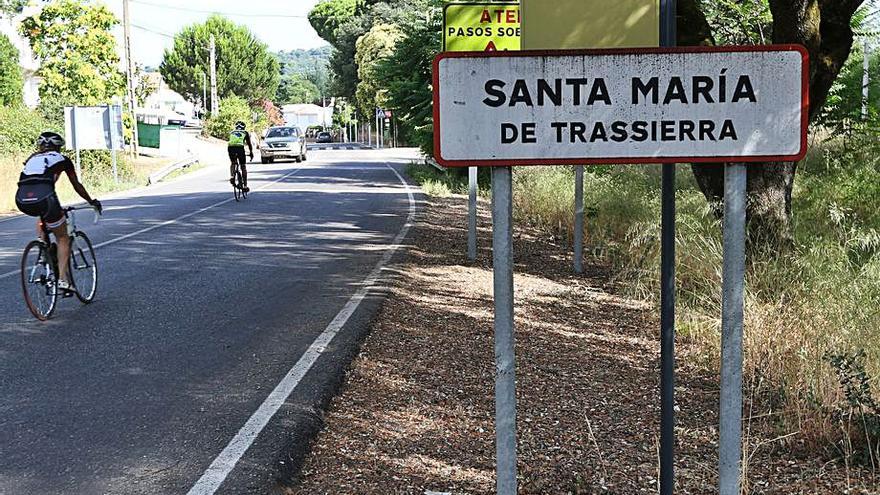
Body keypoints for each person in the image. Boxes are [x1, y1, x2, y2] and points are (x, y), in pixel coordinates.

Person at [15, 131, 102, 293]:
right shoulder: (63, 160)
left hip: (21, 199)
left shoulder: (31, 159)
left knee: (44, 214)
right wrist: (91, 201)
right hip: (46, 198)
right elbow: (77, 185)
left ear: (41, 146)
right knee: (63, 237)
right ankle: (62, 279)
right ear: (59, 147)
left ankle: (44, 248)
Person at [228, 121, 253, 192]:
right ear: (244, 127)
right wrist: (251, 153)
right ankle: (245, 186)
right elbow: (249, 144)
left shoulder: (232, 132)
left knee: (233, 162)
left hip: (230, 147)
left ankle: (232, 176)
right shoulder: (245, 132)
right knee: (243, 166)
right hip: (240, 148)